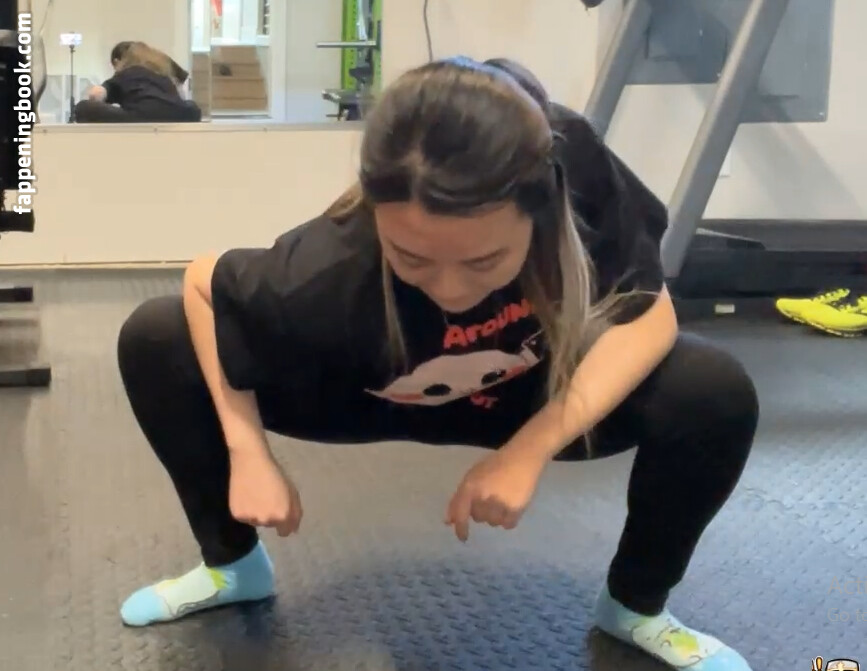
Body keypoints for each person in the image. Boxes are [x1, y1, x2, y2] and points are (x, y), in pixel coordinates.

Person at [116, 56, 759, 670]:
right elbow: (202, 283)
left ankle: (635, 605)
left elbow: (650, 311)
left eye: (483, 261)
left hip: (517, 390)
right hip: (366, 388)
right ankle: (233, 567)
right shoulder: (325, 266)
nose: (451, 290)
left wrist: (530, 449)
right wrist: (248, 453)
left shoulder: (571, 165)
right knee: (157, 335)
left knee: (710, 388)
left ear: (540, 209)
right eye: (413, 258)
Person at [75, 41, 201, 123]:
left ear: (119, 61)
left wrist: (97, 99)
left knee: (83, 107)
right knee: (192, 106)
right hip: (176, 114)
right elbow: (180, 85)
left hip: (142, 116)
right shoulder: (162, 74)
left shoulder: (127, 72)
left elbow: (96, 93)